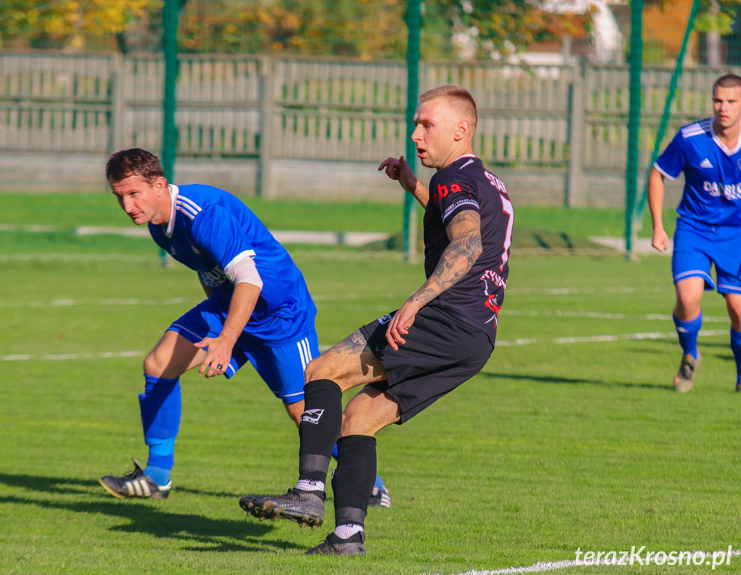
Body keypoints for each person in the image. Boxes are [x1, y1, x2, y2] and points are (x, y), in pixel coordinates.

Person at [238, 85, 514, 555]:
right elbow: (455, 219)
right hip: (477, 339)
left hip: (445, 316)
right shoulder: (482, 180)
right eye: (415, 123)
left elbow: (466, 245)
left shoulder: (453, 178)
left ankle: (307, 492)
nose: (415, 134)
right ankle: (348, 536)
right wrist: (410, 183)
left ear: (461, 129)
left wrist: (417, 300)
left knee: (321, 371)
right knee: (359, 420)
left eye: (427, 124)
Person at [99, 148, 391, 506]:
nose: (128, 206)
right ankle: (157, 477)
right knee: (159, 364)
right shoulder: (160, 225)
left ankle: (370, 484)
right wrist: (218, 317)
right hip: (231, 307)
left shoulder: (202, 215)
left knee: (305, 413)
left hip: (279, 315)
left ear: (159, 185)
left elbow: (250, 279)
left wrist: (225, 340)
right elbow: (208, 270)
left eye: (133, 194)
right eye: (120, 197)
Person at [647, 73, 741, 393]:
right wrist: (658, 226)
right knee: (688, 299)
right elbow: (658, 174)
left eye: (731, 101)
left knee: (738, 310)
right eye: (718, 100)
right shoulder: (690, 137)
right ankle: (689, 354)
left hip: (736, 234)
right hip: (694, 229)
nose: (723, 107)